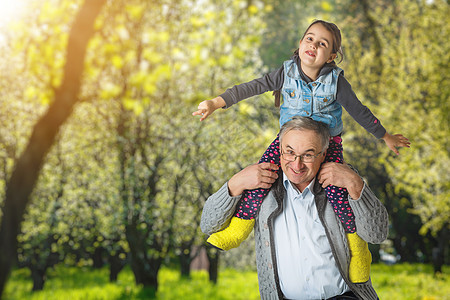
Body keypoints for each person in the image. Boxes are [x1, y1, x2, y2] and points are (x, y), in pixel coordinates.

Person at [193, 19, 409, 283]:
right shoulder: (286, 73)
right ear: (300, 43)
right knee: (262, 175)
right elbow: (251, 87)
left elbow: (360, 111)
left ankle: (357, 248)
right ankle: (240, 225)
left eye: (322, 43)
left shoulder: (337, 83)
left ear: (332, 55)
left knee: (337, 191)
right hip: (288, 141)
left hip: (326, 145)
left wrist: (384, 136)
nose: (313, 45)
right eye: (309, 38)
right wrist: (216, 102)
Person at [200, 116, 389, 300]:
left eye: (307, 154)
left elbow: (377, 234)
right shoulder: (260, 185)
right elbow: (209, 225)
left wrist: (356, 184)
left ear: (323, 153)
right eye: (289, 152)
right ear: (279, 150)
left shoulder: (341, 180)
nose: (297, 164)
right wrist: (235, 184)